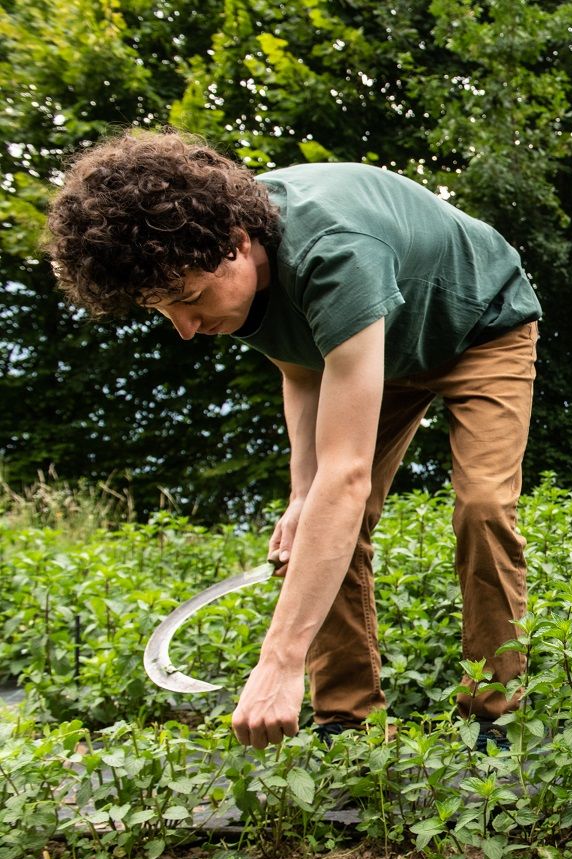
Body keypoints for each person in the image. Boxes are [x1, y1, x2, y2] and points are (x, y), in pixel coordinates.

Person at [45, 129, 540, 749]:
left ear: (236, 245)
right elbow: (301, 367)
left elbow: (349, 474)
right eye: (161, 309)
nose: (186, 329)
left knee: (483, 506)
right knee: (321, 524)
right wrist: (301, 494)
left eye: (188, 299)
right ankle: (349, 724)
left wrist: (278, 662)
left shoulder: (333, 254)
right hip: (371, 346)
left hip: (479, 322)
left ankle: (494, 714)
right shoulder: (232, 278)